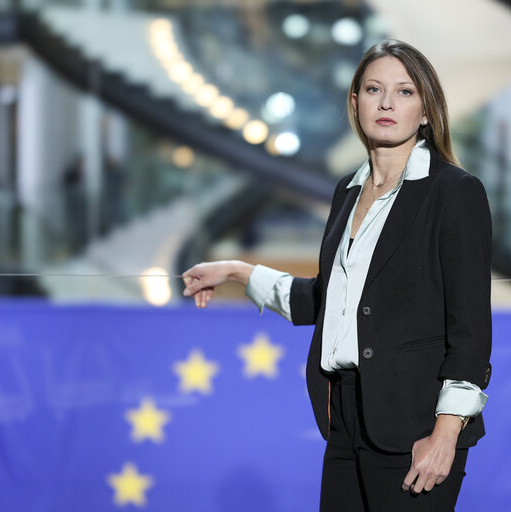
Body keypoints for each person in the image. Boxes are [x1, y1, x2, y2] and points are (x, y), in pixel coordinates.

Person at [182, 39, 492, 512]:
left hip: (416, 426)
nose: (387, 103)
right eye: (373, 89)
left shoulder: (455, 192)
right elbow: (325, 302)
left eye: (405, 92)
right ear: (355, 102)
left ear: (426, 110)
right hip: (345, 418)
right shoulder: (346, 192)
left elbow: (470, 332)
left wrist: (446, 433)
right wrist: (236, 272)